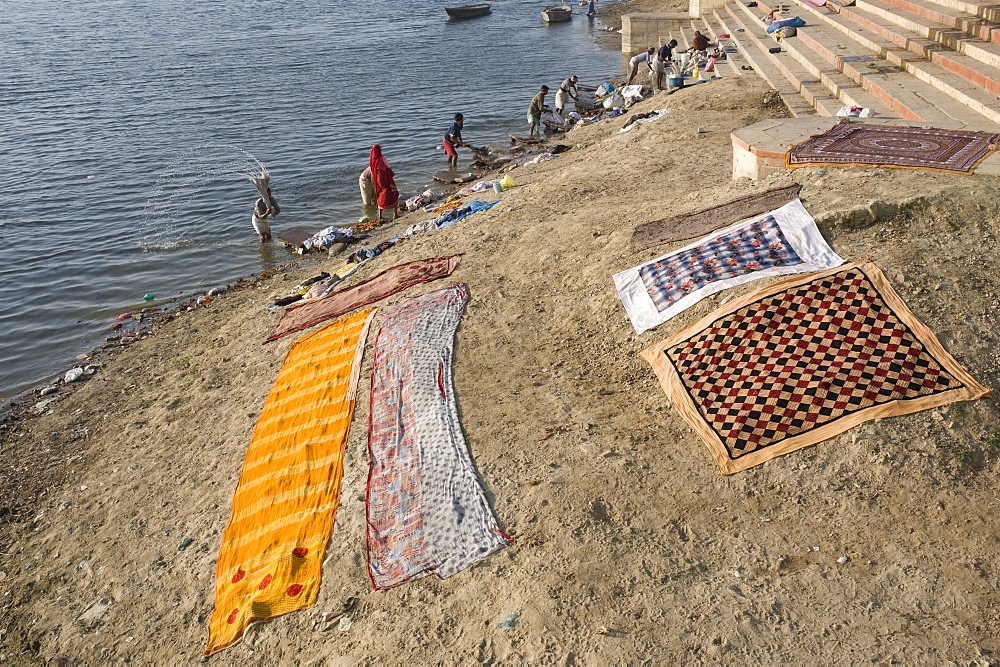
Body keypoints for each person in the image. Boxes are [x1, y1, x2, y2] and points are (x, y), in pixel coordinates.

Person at [369, 145, 399, 221]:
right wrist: (390, 171)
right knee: (393, 193)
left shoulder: (373, 161)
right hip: (384, 178)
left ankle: (380, 216)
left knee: (380, 193)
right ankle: (395, 215)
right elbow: (388, 166)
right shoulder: (382, 158)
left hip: (377, 179)